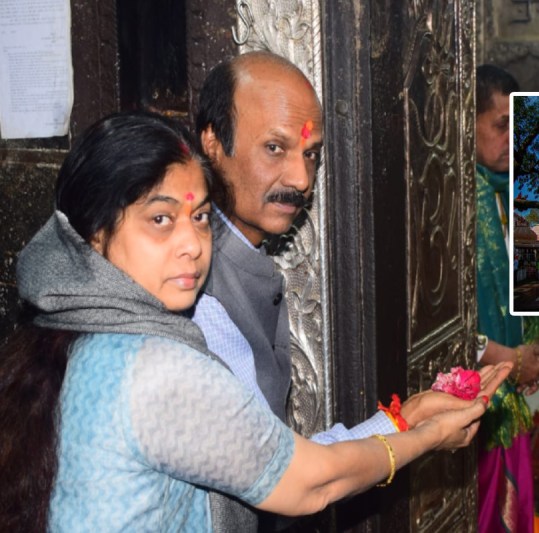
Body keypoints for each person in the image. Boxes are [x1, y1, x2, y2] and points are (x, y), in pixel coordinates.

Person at [0, 112, 511, 533]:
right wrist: (428, 438)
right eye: (160, 219)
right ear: (93, 233)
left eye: (200, 217)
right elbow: (309, 481)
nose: (191, 244)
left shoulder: (76, 333)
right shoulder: (152, 365)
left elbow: (268, 456)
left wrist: (406, 418)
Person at [192, 52, 484, 529]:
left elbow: (283, 459)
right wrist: (423, 438)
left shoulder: (239, 259)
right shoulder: (195, 287)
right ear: (213, 142)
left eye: (311, 153)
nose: (301, 179)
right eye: (274, 148)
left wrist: (406, 418)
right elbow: (291, 479)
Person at [474, 64, 539, 533]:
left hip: (510, 393)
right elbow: (445, 326)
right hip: (472, 403)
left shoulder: (510, 194)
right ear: (469, 126)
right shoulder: (455, 203)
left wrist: (530, 357)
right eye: (502, 125)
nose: (513, 139)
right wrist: (508, 359)